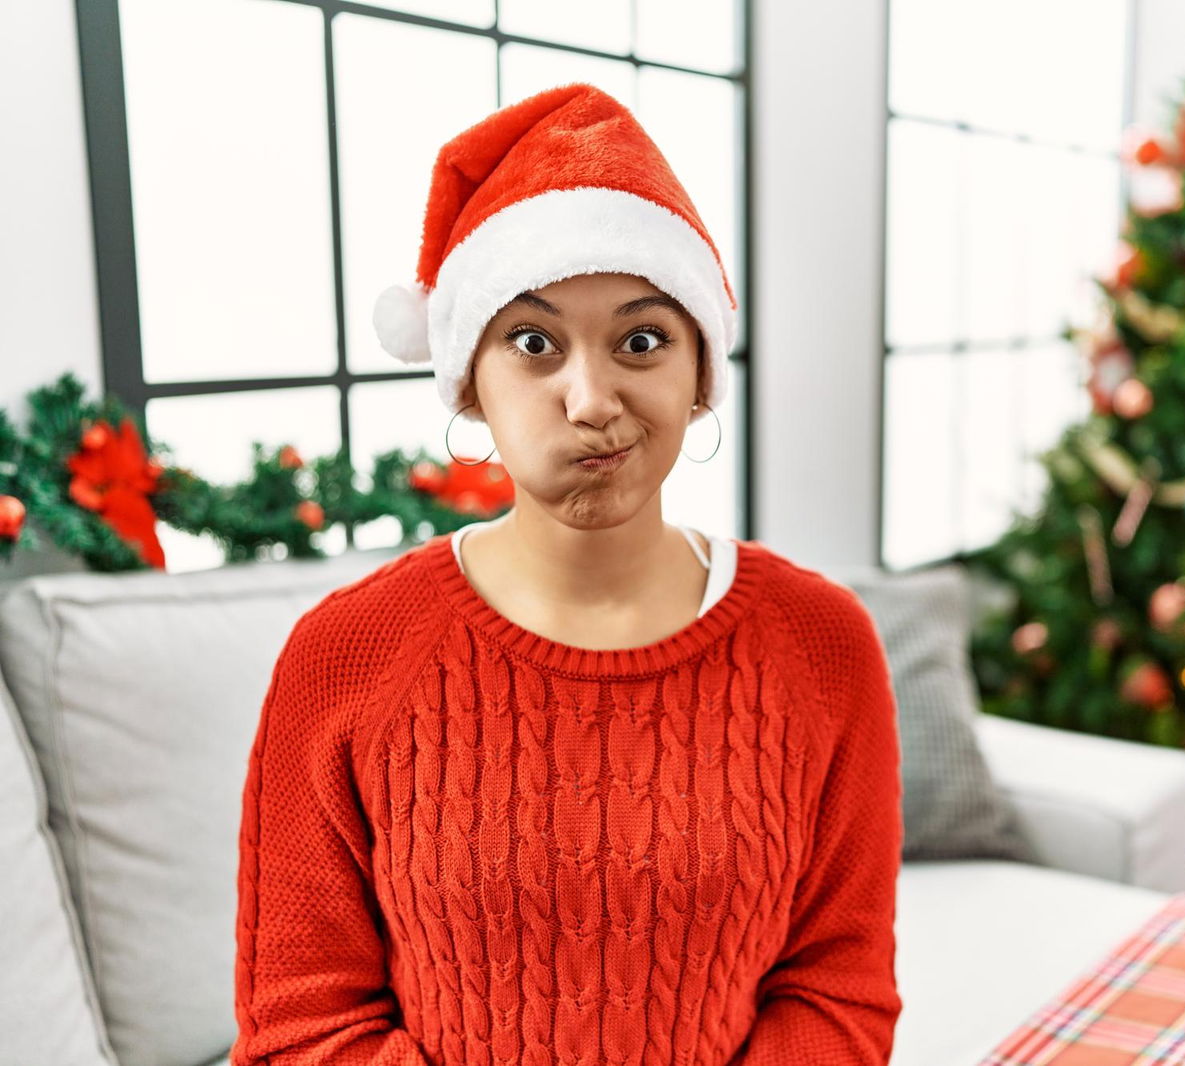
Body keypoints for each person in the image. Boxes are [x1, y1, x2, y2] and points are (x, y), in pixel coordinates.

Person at [230, 82, 904, 1066]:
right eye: (533, 343)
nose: (591, 399)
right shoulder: (345, 657)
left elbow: (837, 990)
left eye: (641, 339)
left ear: (700, 372)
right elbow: (301, 1027)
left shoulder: (822, 643)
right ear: (469, 378)